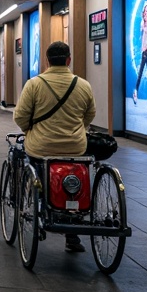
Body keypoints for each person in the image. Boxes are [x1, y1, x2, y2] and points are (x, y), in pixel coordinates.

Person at [13, 40, 96, 252]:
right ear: (69, 60)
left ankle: (32, 206)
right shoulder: (83, 85)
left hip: (41, 146)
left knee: (25, 162)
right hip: (75, 148)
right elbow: (89, 115)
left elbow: (21, 117)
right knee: (76, 178)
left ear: (47, 61)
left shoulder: (35, 84)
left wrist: (29, 130)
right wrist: (76, 130)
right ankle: (73, 232)